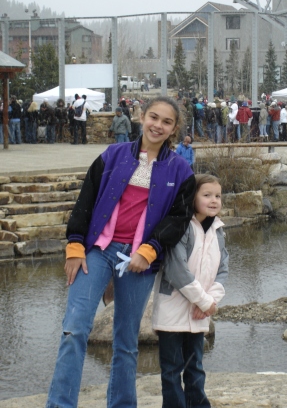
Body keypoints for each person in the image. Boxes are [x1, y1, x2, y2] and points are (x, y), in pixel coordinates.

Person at [45, 96, 196, 408]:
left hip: (139, 260)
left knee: (126, 343)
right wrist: (74, 244)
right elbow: (85, 199)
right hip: (98, 251)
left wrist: (150, 250)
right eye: (154, 117)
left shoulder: (181, 170)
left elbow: (178, 219)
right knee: (74, 330)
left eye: (167, 122)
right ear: (142, 116)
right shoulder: (112, 155)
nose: (158, 125)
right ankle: (60, 404)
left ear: (174, 128)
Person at [152, 173, 229, 408]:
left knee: (195, 367)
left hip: (199, 314)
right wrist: (204, 302)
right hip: (172, 312)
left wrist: (209, 302)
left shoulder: (218, 231)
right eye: (206, 195)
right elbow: (176, 270)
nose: (214, 200)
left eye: (217, 196)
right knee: (172, 369)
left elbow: (223, 270)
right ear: (191, 197)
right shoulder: (182, 227)